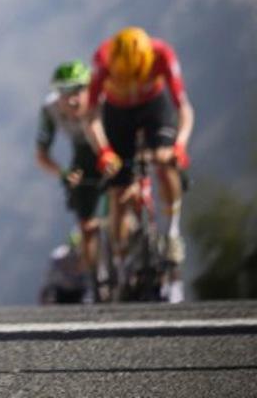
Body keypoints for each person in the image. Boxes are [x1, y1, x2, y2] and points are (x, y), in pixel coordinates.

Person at [88, 26, 193, 267]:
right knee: (118, 190)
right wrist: (104, 151)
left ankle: (172, 233)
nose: (132, 84)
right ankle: (119, 256)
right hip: (117, 114)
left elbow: (184, 108)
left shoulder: (163, 55)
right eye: (124, 79)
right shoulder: (102, 60)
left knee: (165, 161)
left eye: (137, 77)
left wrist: (180, 145)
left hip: (153, 108)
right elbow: (91, 115)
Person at [35, 60, 102, 301]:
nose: (72, 100)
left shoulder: (102, 99)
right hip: (83, 156)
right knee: (87, 225)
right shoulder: (50, 109)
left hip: (113, 147)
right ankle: (95, 279)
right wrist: (62, 173)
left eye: (78, 91)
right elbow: (41, 155)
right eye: (64, 93)